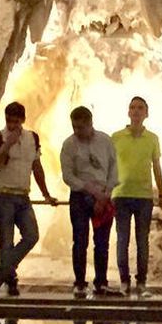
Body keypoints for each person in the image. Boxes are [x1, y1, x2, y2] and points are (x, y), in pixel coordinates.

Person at [0, 102, 59, 297]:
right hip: (2, 194)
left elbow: (37, 167)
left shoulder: (32, 138)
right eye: (9, 121)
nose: (12, 125)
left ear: (23, 120)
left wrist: (46, 194)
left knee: (32, 235)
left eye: (16, 121)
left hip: (22, 195)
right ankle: (10, 280)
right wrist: (7, 145)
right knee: (6, 239)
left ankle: (3, 271)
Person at [110, 97, 162, 298]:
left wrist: (160, 193)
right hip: (121, 194)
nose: (136, 111)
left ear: (146, 113)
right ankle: (124, 282)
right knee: (123, 239)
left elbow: (157, 167)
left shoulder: (152, 138)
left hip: (144, 195)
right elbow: (109, 165)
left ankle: (142, 283)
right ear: (128, 112)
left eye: (140, 108)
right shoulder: (116, 137)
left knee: (142, 240)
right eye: (133, 107)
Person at [61, 106, 121, 298]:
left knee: (102, 241)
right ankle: (79, 283)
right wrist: (89, 189)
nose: (77, 131)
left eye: (80, 127)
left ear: (90, 123)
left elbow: (113, 168)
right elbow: (68, 175)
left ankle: (101, 282)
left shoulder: (105, 141)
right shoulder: (69, 144)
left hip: (103, 194)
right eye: (74, 127)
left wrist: (106, 193)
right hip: (80, 195)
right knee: (80, 240)